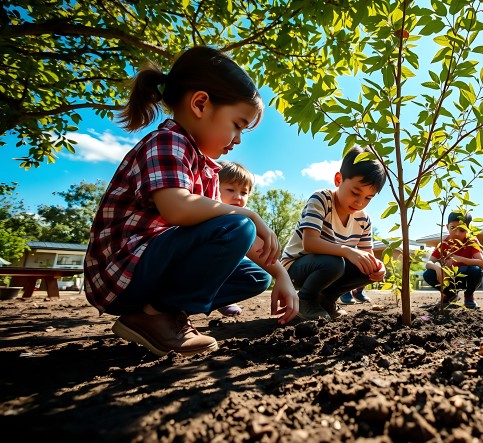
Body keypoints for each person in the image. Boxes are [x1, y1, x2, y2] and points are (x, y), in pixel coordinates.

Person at [84, 46, 298, 357]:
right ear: (200, 104)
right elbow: (178, 208)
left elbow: (223, 234)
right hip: (122, 271)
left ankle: (154, 313)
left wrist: (281, 275)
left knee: (255, 276)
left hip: (149, 272)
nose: (238, 139)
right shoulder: (167, 142)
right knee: (238, 224)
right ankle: (157, 315)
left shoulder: (206, 169)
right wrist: (250, 215)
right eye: (237, 125)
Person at [281, 146, 387, 321]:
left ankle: (327, 299)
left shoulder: (363, 220)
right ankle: (305, 299)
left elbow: (366, 257)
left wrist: (378, 267)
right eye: (355, 192)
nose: (360, 202)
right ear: (339, 179)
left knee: (368, 267)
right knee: (334, 262)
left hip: (330, 267)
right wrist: (347, 251)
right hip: (295, 269)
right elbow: (310, 243)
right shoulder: (321, 199)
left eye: (368, 198)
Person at [215, 161, 297, 318]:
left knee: (259, 276)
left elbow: (258, 248)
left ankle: (215, 298)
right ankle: (175, 305)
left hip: (220, 269)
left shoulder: (242, 221)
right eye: (230, 190)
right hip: (189, 265)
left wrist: (282, 275)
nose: (238, 197)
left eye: (244, 193)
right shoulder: (205, 212)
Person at [422, 211, 483, 309]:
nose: (457, 233)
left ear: (468, 229)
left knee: (476, 270)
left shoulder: (471, 241)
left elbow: (481, 263)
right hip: (448, 278)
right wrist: (437, 268)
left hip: (466, 277)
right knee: (428, 274)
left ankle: (469, 296)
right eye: (453, 228)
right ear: (447, 227)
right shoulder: (444, 244)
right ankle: (449, 295)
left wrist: (459, 259)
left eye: (462, 230)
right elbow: (428, 263)